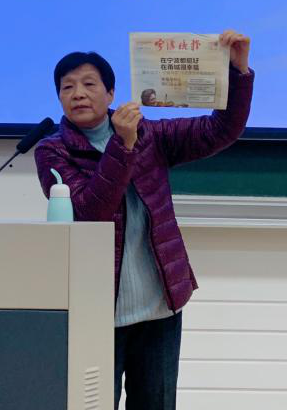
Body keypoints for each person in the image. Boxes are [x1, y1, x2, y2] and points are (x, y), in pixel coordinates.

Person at [34, 30, 253, 410]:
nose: (78, 94)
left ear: (111, 93)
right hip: (96, 310)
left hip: (158, 308)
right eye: (67, 87)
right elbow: (90, 213)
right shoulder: (53, 151)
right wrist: (123, 144)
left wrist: (238, 73)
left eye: (89, 84)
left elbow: (221, 130)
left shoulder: (151, 134)